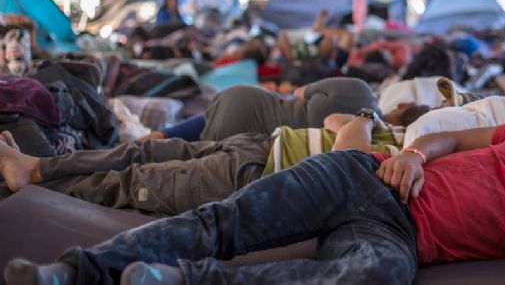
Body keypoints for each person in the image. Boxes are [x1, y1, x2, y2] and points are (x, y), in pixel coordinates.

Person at [4, 104, 505, 285]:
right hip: (361, 175)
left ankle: (174, 279)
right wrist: (410, 152)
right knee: (220, 221)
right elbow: (451, 140)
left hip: (397, 233)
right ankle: (71, 273)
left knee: (376, 275)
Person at [0, 106, 418, 216]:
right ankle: (35, 167)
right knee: (139, 151)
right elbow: (332, 121)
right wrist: (365, 123)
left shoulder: (407, 160)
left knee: (133, 183)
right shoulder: (405, 138)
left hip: (256, 176)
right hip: (257, 145)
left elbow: (347, 153)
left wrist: (365, 120)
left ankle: (32, 188)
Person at [144, 77, 381, 142]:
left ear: (404, 105)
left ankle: (156, 137)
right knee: (187, 153)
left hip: (248, 102)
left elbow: (299, 92)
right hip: (252, 142)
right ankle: (157, 143)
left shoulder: (359, 88)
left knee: (206, 118)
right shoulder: (368, 134)